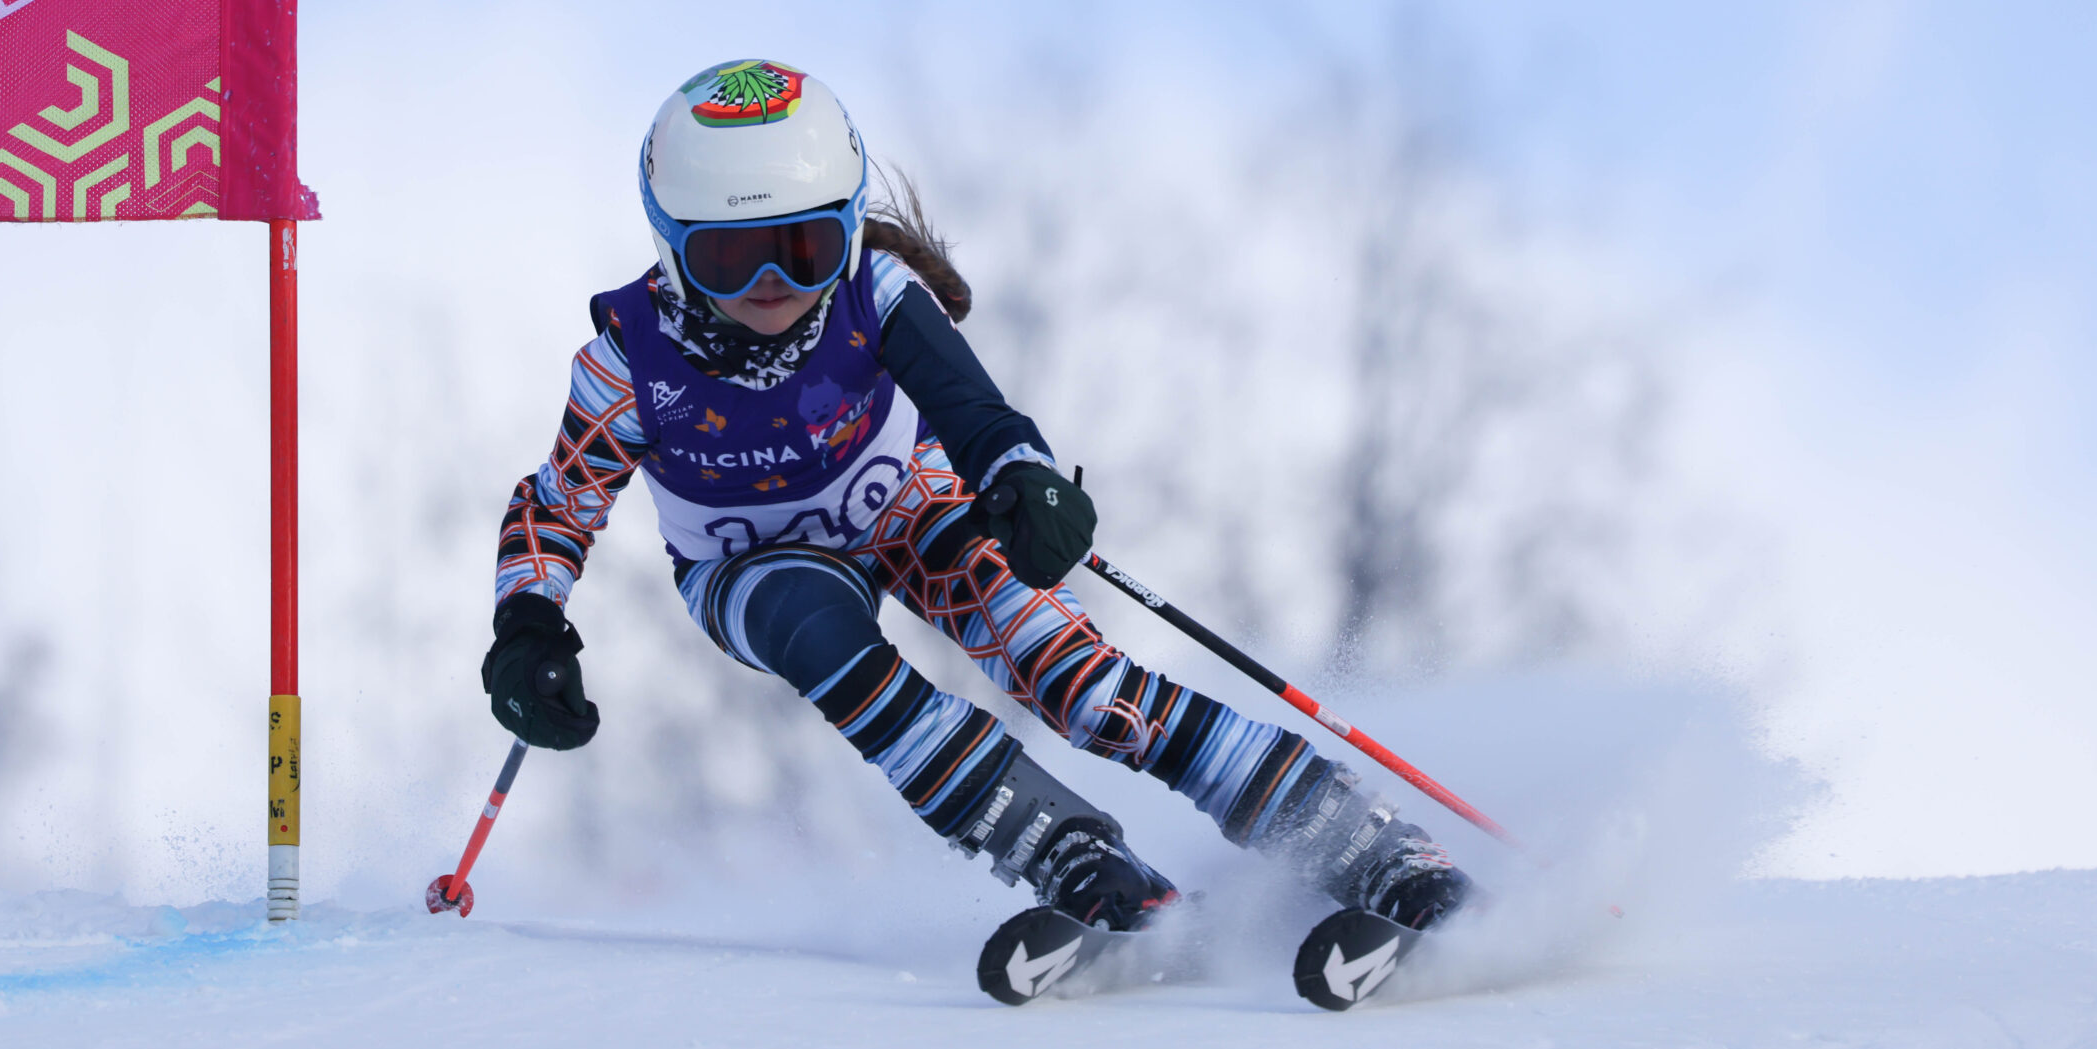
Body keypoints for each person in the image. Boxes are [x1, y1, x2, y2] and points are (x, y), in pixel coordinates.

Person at [484, 59, 1471, 935]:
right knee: (817, 631)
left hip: (910, 508)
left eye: (807, 247)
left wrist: (1022, 479)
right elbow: (558, 505)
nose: (776, 283)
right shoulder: (628, 363)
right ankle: (1063, 849)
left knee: (1079, 684)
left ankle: (1363, 843)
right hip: (745, 562)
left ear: (845, 229)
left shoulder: (873, 292)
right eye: (732, 258)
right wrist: (529, 625)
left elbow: (970, 408)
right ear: (672, 247)